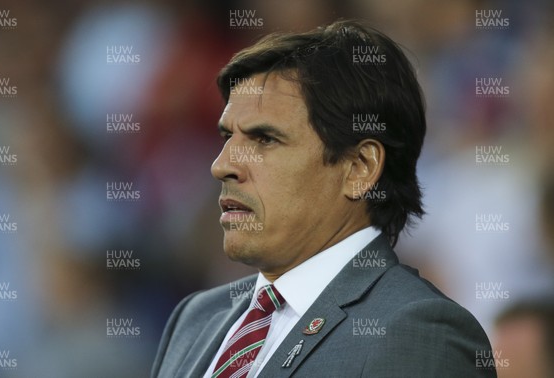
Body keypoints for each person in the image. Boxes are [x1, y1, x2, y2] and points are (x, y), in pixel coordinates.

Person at [151, 20, 495, 377]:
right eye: (227, 138)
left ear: (359, 167)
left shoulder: (418, 332)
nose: (222, 166)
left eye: (265, 139)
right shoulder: (194, 318)